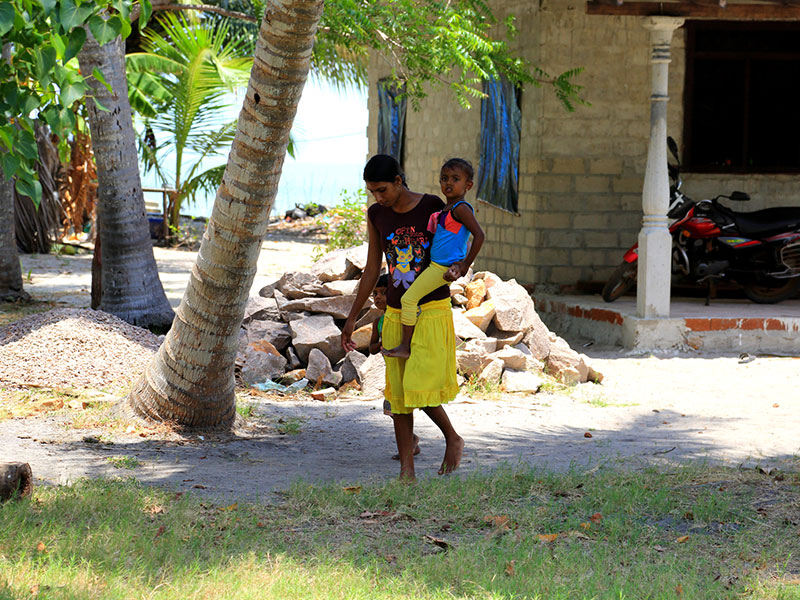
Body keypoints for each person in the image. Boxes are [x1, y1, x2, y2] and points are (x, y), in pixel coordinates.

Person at [341, 154, 463, 481]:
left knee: (418, 387)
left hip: (432, 310)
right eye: (372, 192)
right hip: (396, 314)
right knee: (398, 395)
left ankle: (452, 437)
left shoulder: (432, 206)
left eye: (382, 190)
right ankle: (406, 470)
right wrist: (353, 317)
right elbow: (371, 269)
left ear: (398, 181)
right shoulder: (377, 215)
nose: (378, 198)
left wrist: (458, 269)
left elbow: (451, 249)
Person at [381, 158, 484, 359]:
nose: (448, 183)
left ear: (468, 185)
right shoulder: (445, 210)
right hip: (436, 265)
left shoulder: (461, 208)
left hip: (441, 268)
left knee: (408, 299)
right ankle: (415, 338)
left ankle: (405, 346)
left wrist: (463, 265)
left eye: (456, 179)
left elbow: (479, 235)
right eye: (444, 178)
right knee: (415, 300)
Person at [368, 273, 422, 460]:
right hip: (391, 373)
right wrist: (381, 343)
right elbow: (372, 348)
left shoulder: (405, 317)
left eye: (383, 292)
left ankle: (408, 445)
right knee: (393, 410)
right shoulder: (379, 323)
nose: (378, 297)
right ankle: (411, 440)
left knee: (404, 408)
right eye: (375, 293)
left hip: (409, 369)